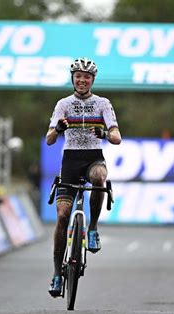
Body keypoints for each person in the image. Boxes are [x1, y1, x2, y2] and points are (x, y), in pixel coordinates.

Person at [46, 57, 121, 297]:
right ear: (73, 78)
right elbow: (49, 139)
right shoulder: (63, 104)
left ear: (92, 80)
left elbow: (117, 137)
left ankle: (93, 229)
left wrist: (105, 133)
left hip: (92, 157)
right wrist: (57, 129)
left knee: (99, 176)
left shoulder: (103, 103)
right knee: (61, 217)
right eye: (78, 76)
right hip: (70, 161)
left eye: (86, 76)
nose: (82, 80)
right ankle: (57, 274)